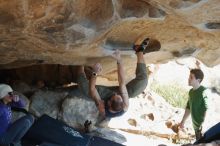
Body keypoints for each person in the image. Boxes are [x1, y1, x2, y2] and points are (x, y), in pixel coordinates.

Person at [77, 38, 161, 118]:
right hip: (122, 95)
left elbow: (92, 89)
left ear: (109, 103)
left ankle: (80, 63)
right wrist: (119, 60)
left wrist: (94, 72)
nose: (116, 94)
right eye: (118, 96)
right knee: (142, 83)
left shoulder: (103, 108)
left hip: (105, 95)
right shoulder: (125, 105)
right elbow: (122, 83)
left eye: (116, 96)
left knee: (85, 90)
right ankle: (139, 51)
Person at [179, 69, 208, 140]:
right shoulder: (191, 92)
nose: (188, 79)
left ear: (198, 80)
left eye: (191, 77)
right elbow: (188, 108)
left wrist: (203, 125)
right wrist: (183, 121)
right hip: (196, 127)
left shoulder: (204, 91)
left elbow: (207, 109)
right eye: (189, 76)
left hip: (204, 128)